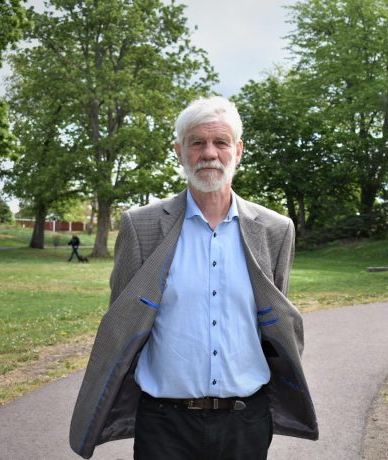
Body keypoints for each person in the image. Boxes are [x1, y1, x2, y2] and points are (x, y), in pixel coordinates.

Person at [69, 96, 318, 459]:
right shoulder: (141, 227)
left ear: (239, 150)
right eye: (197, 142)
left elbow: (274, 325)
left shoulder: (275, 230)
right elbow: (123, 323)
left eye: (220, 142)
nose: (209, 153)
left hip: (246, 423)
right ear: (179, 151)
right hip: (164, 424)